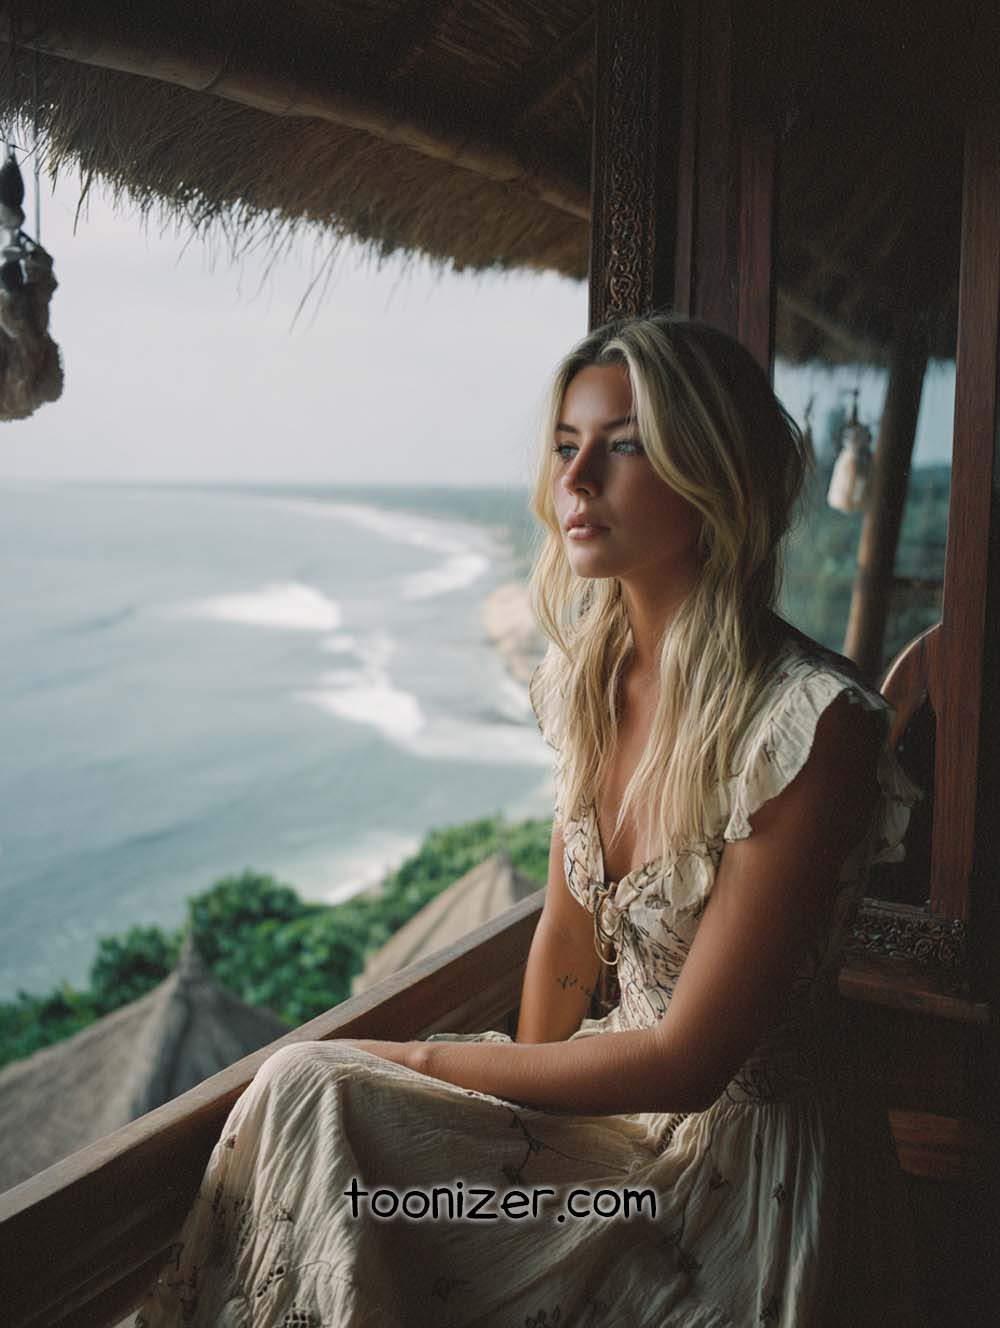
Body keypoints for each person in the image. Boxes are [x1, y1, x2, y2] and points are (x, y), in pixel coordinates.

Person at [134, 312, 923, 1327]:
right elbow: (563, 943)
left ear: (710, 472)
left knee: (321, 1077)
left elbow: (688, 1062)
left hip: (743, 1176)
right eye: (565, 445)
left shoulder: (810, 726)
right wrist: (491, 1114)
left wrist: (418, 1059)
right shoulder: (592, 675)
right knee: (310, 1090)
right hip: (608, 1123)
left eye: (623, 443)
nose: (577, 477)